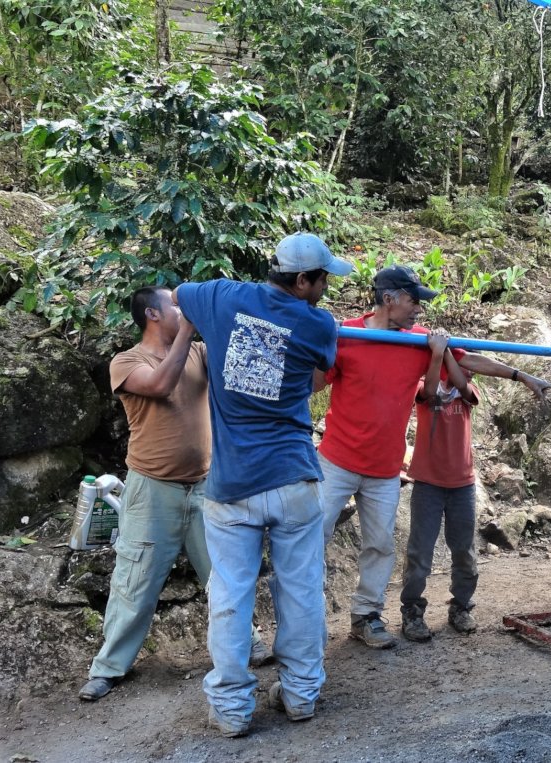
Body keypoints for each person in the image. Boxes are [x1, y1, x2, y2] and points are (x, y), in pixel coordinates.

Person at [318, 265, 551, 649]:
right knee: (312, 540)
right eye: (414, 301)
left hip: (384, 467)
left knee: (380, 545)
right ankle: (305, 623)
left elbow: (470, 361)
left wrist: (520, 375)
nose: (419, 310)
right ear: (389, 299)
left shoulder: (417, 342)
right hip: (337, 460)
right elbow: (315, 380)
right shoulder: (345, 334)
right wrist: (314, 343)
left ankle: (366, 617)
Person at [174, 232, 350, 737]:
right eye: (321, 280)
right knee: (300, 590)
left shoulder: (223, 297)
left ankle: (231, 709)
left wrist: (198, 328)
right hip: (293, 478)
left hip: (233, 486)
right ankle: (299, 695)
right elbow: (322, 367)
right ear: (302, 280)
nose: (325, 290)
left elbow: (179, 295)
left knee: (230, 594)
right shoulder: (318, 324)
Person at [78, 286, 268, 703]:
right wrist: (190, 331)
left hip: (206, 486)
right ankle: (108, 667)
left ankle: (247, 643)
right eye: (176, 306)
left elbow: (246, 366)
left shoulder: (199, 353)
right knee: (136, 580)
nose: (183, 312)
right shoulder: (127, 362)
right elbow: (162, 385)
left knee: (225, 573)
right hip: (152, 490)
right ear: (153, 314)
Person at [399, 354, 481, 642]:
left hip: (462, 484)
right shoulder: (426, 385)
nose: (472, 370)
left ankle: (461, 606)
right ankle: (412, 610)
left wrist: (450, 359)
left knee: (463, 550)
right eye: (467, 364)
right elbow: (430, 393)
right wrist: (440, 354)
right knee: (420, 552)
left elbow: (464, 385)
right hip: (428, 483)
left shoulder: (469, 391)